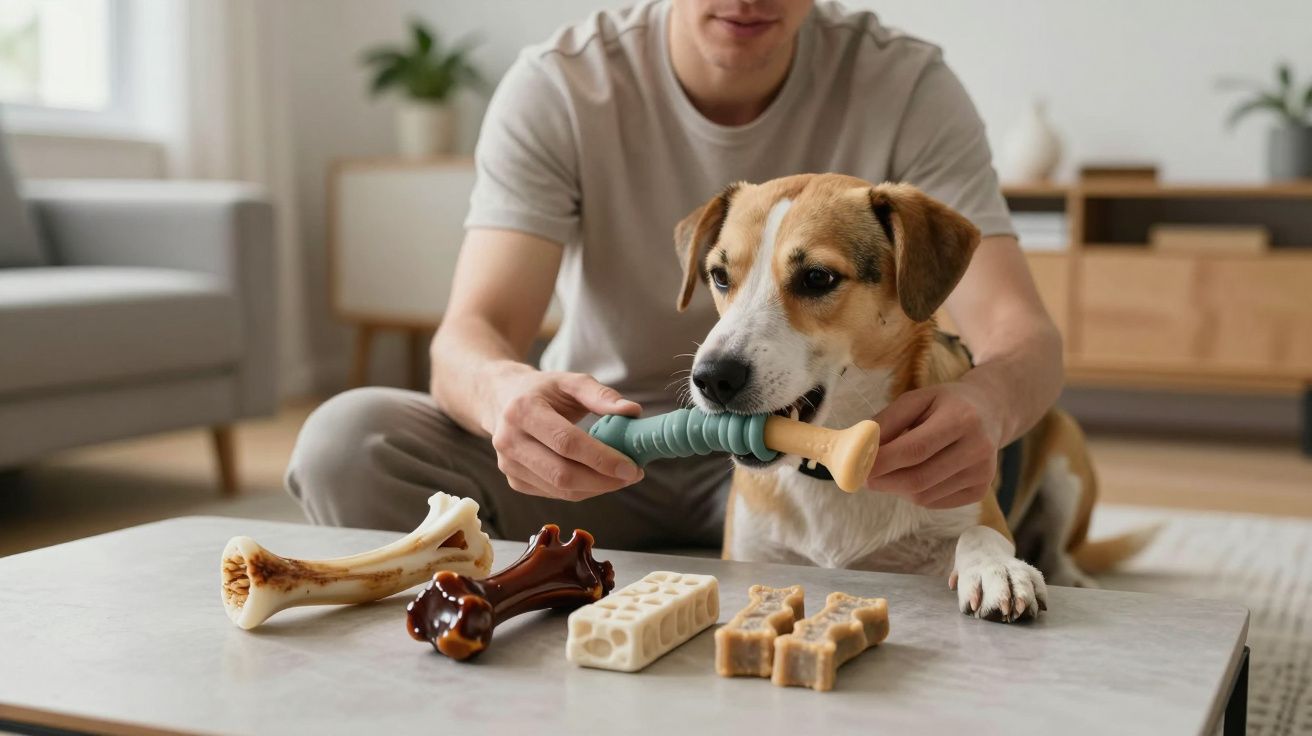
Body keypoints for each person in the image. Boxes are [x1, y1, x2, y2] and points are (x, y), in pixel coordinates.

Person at [286, 0, 1063, 548]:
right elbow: (471, 332)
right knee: (346, 444)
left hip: (827, 455)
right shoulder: (560, 84)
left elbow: (1020, 335)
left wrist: (986, 407)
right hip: (608, 454)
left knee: (1015, 436)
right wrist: (504, 398)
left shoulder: (908, 86)